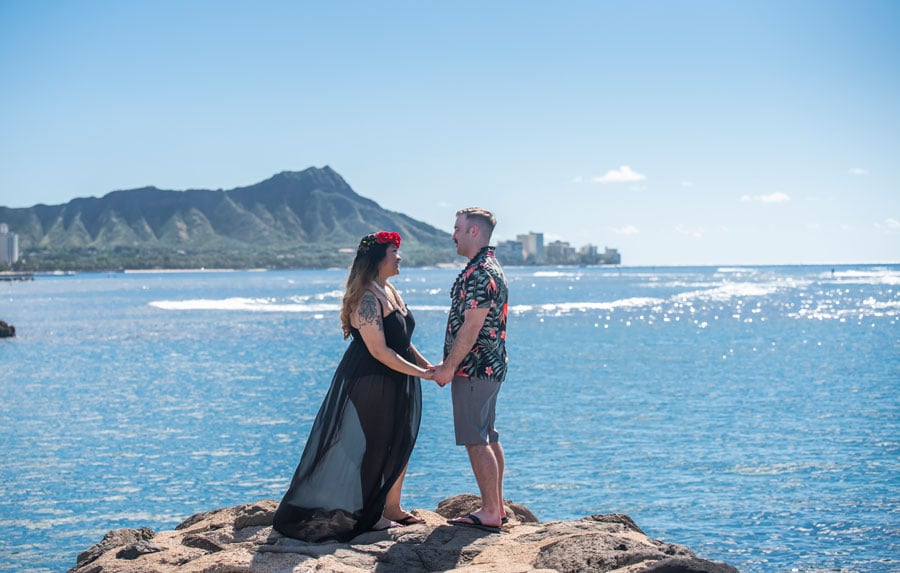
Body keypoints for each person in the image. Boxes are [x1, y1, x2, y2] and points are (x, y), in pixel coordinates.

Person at [273, 231, 432, 542]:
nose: (399, 257)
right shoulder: (367, 299)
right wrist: (422, 374)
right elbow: (379, 351)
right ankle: (372, 516)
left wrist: (429, 367)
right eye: (393, 252)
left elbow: (402, 343)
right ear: (377, 260)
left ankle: (393, 507)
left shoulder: (390, 291)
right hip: (371, 381)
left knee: (401, 442)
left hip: (397, 377)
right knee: (378, 446)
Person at [432, 208, 509, 534]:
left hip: (474, 368)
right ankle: (497, 506)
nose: (453, 234)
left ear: (474, 232)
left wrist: (449, 367)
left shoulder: (479, 273)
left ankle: (491, 510)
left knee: (476, 439)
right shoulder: (487, 268)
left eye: (457, 228)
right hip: (488, 365)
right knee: (487, 435)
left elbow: (472, 325)